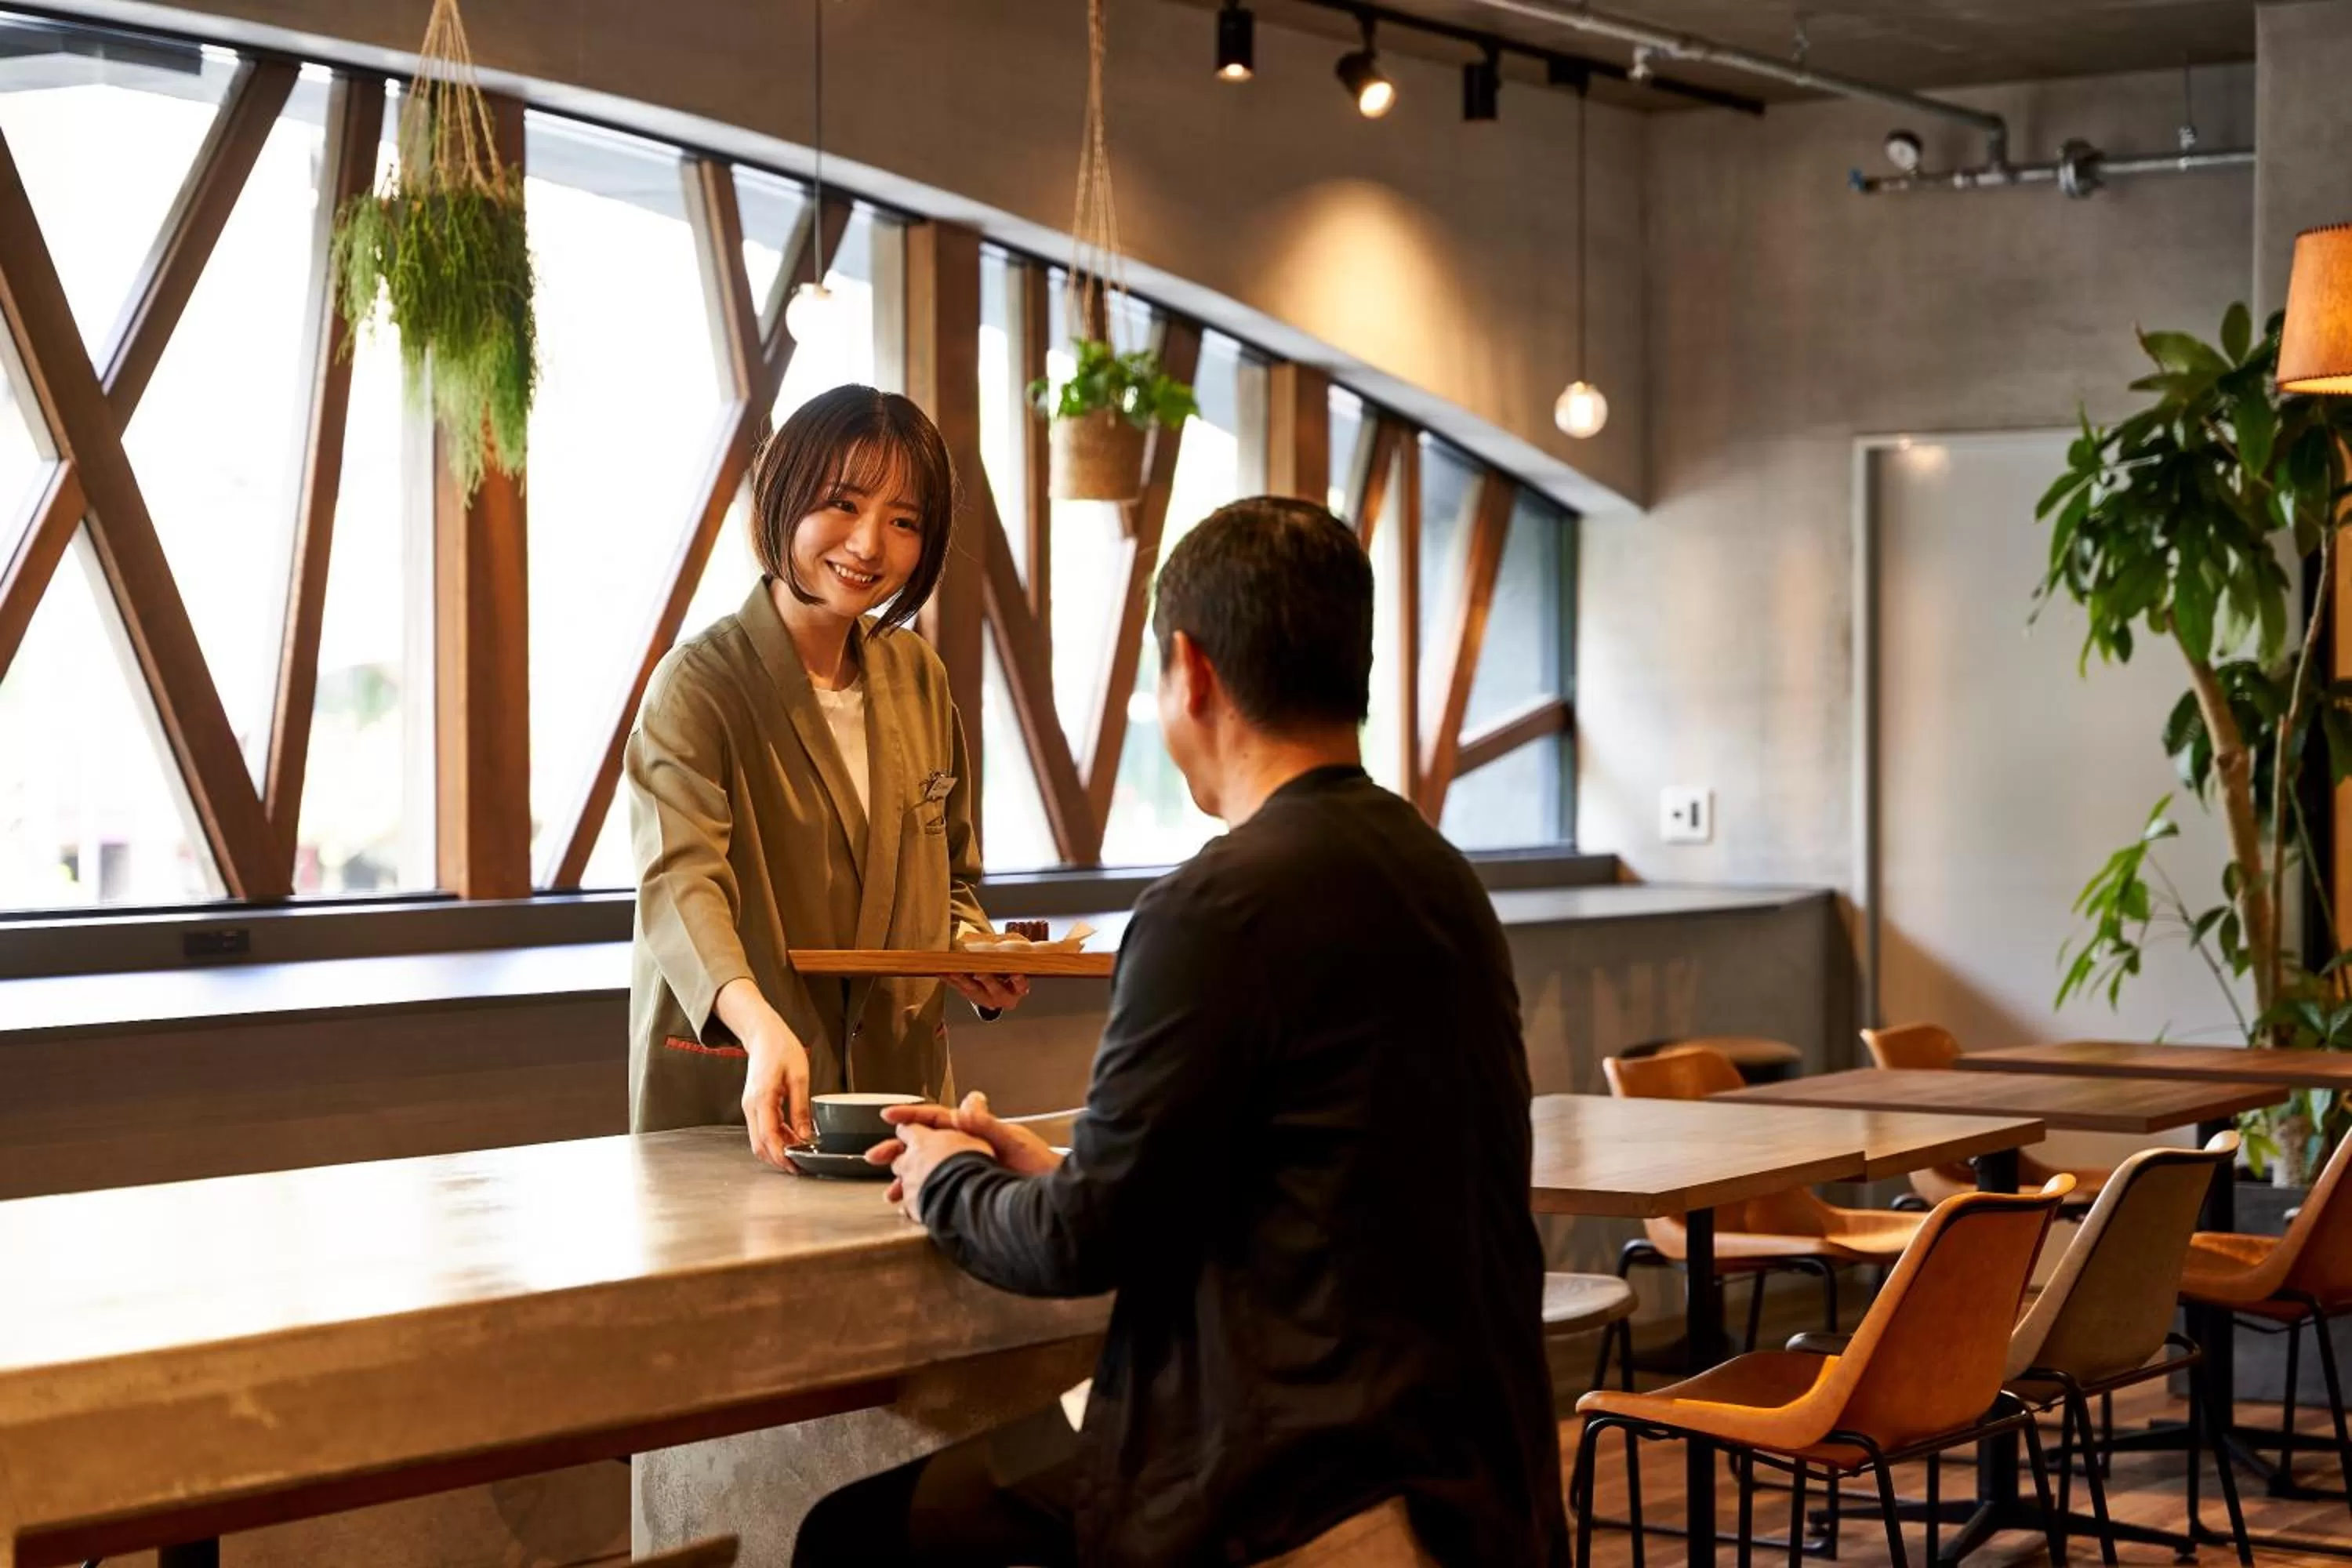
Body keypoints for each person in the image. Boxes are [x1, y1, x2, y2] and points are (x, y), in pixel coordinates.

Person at [797, 498, 1566, 1566]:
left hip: (1289, 1471)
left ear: (1190, 672)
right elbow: (1314, 1171)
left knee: (854, 1537)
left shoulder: (1216, 906)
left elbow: (1085, 1243)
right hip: (1475, 1470)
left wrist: (945, 1181)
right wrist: (1060, 1164)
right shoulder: (1439, 880)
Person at [626, 385, 1025, 1161]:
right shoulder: (698, 685)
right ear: (783, 494)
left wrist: (973, 949)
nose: (870, 545)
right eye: (842, 504)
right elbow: (681, 885)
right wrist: (757, 1021)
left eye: (905, 521)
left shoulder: (920, 677)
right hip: (747, 1087)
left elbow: (948, 881)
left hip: (900, 1097)